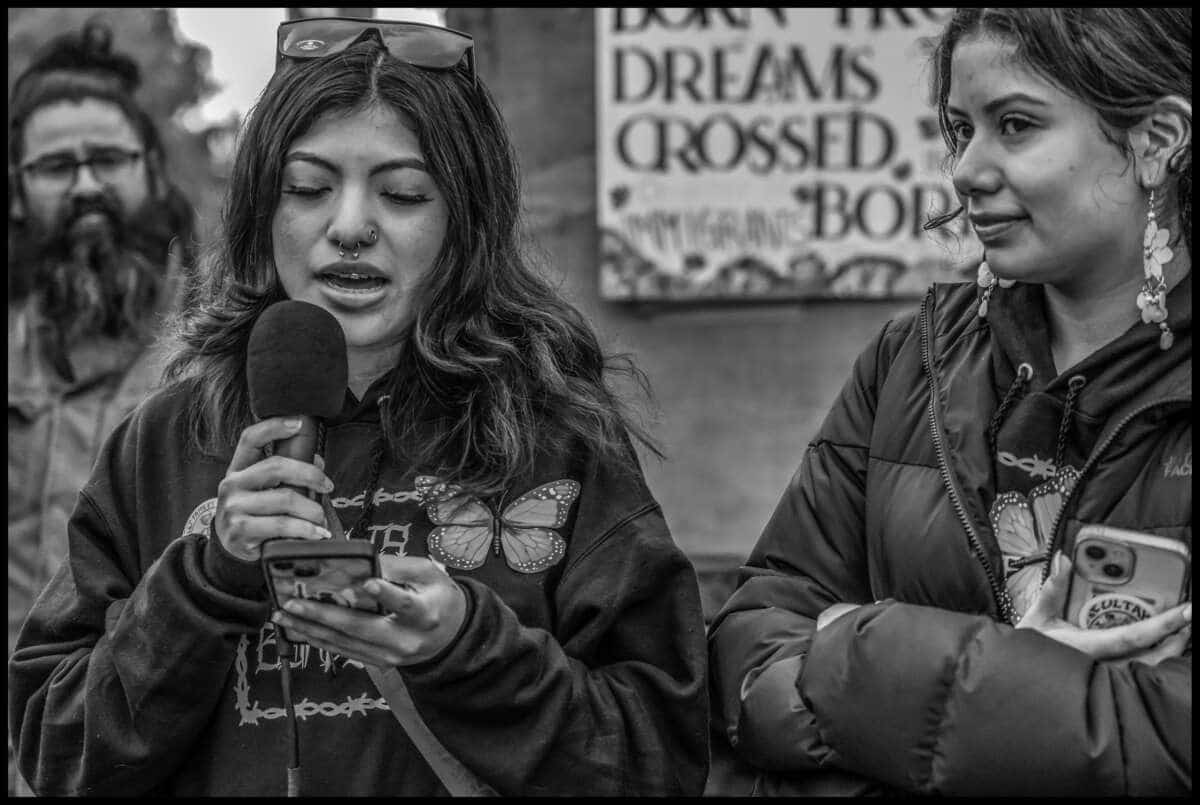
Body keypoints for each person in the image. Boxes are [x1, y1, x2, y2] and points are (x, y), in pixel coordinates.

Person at [8, 17, 709, 797]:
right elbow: (58, 750)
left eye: (403, 194)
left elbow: (659, 758)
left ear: (463, 222)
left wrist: (464, 648)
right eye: (308, 189)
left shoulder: (554, 436)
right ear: (262, 211)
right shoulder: (169, 435)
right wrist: (205, 581)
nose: (348, 228)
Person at [708, 7, 1190, 797]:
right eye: (962, 129)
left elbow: (1169, 738)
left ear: (1156, 139)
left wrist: (857, 648)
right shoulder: (915, 358)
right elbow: (752, 652)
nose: (966, 169)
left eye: (1017, 124)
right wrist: (1029, 698)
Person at [7, 20, 194, 796]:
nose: (85, 184)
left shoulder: (214, 361)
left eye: (107, 160)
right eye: (56, 166)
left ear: (153, 170)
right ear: (17, 190)